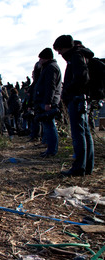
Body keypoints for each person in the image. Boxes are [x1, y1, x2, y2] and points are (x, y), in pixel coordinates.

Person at [53, 34, 94, 176]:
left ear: (65, 47)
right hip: (80, 99)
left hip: (77, 99)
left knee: (78, 134)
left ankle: (79, 167)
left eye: (59, 49)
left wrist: (68, 89)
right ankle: (87, 166)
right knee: (84, 132)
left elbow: (82, 78)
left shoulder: (76, 57)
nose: (59, 53)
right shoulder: (80, 55)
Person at [33, 48, 62, 157]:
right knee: (48, 125)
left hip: (47, 102)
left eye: (41, 58)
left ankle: (52, 150)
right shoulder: (48, 67)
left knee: (49, 125)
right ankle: (50, 149)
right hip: (46, 101)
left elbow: (51, 86)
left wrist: (48, 102)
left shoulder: (51, 68)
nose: (39, 60)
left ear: (46, 58)